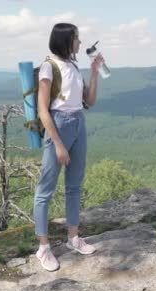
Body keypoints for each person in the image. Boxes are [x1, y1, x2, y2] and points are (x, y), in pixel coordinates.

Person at [33, 23, 104, 272]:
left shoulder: (73, 65)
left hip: (78, 122)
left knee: (74, 185)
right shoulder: (48, 67)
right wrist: (59, 145)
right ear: (65, 41)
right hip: (58, 126)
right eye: (76, 38)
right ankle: (43, 248)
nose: (80, 43)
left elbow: (89, 101)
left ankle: (73, 238)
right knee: (46, 188)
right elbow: (43, 109)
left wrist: (94, 73)